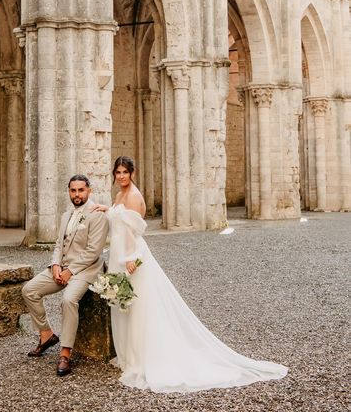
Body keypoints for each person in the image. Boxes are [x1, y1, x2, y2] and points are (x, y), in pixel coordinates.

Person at [90, 156, 288, 393]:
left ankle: (142, 357)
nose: (121, 176)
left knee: (140, 305)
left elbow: (133, 229)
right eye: (118, 172)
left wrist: (130, 259)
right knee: (127, 305)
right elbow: (118, 216)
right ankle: (131, 356)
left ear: (133, 173)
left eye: (125, 172)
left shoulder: (133, 195)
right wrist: (107, 209)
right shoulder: (120, 195)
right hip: (120, 252)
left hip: (130, 255)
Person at [22, 174, 109, 377]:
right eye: (73, 190)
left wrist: (70, 271)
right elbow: (59, 245)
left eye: (81, 190)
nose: (77, 194)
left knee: (68, 300)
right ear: (69, 191)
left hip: (86, 270)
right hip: (62, 268)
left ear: (89, 191)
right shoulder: (65, 215)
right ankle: (46, 334)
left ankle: (65, 353)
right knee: (29, 290)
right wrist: (55, 265)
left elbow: (93, 252)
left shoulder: (97, 215)